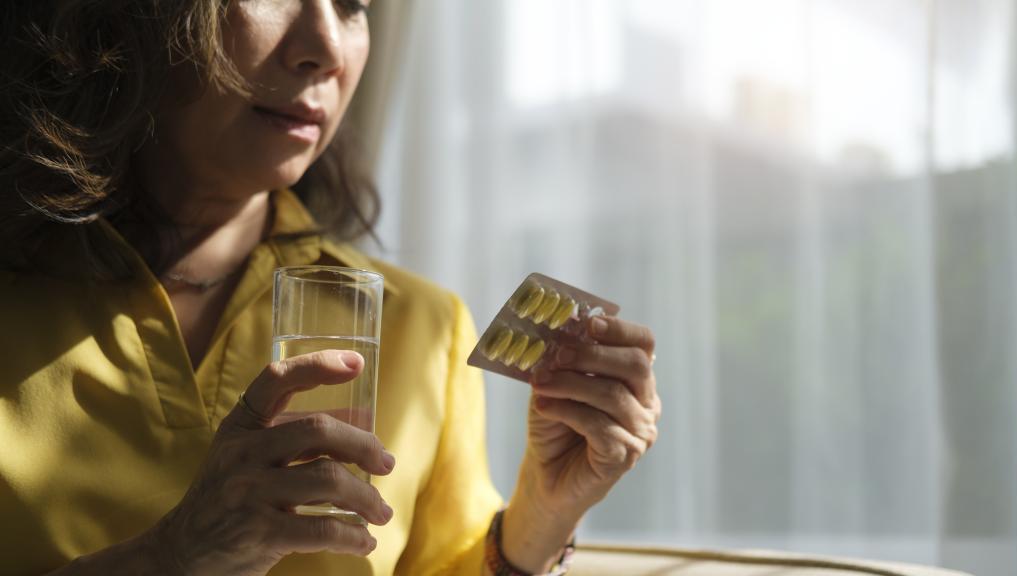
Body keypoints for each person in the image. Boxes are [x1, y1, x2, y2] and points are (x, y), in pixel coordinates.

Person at [0, 1, 661, 574]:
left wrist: (543, 516)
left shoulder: (423, 328)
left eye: (352, 3)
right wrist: (171, 559)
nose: (325, 48)